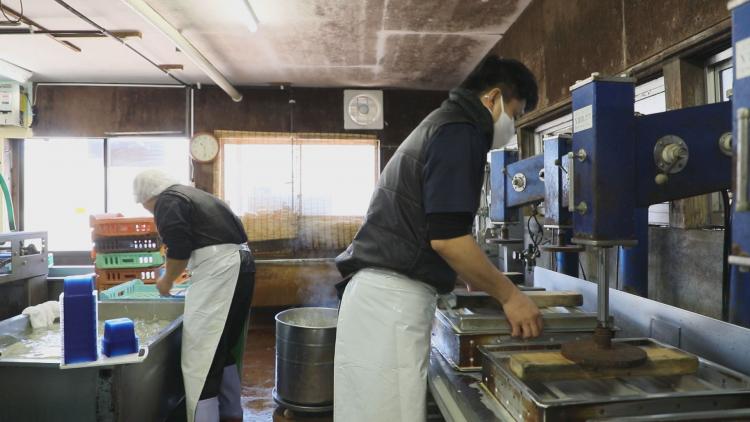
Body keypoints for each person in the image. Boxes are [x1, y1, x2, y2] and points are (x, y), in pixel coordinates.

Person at [333, 56, 544, 421]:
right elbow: (447, 239)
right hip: (391, 303)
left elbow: (434, 229)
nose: (514, 126)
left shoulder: (443, 124)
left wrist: (469, 272)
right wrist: (510, 296)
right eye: (516, 112)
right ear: (492, 99)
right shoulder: (461, 130)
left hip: (379, 297)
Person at [133, 169, 255, 422]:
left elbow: (179, 248)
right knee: (221, 345)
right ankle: (231, 412)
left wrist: (166, 281)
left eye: (145, 206)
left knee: (200, 351)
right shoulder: (195, 195)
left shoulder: (167, 201)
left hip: (221, 269)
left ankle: (206, 418)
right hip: (242, 264)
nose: (148, 211)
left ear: (147, 196)